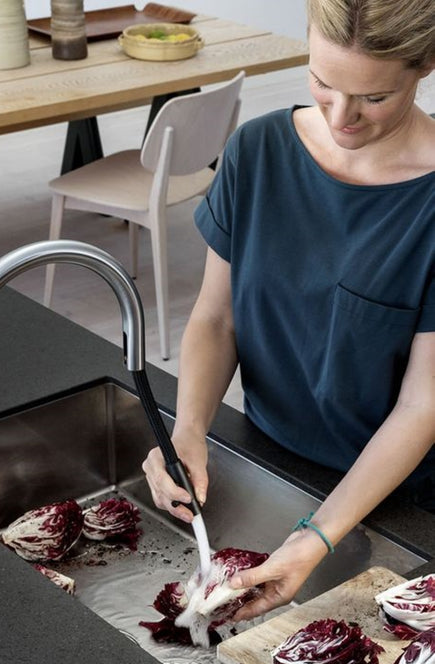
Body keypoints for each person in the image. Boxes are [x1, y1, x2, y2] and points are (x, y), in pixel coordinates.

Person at [142, 0, 435, 620]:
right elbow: (216, 318)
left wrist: (315, 537)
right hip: (270, 458)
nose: (341, 116)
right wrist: (188, 428)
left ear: (426, 66)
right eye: (322, 82)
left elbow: (422, 405)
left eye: (374, 97)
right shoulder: (257, 151)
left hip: (403, 502)